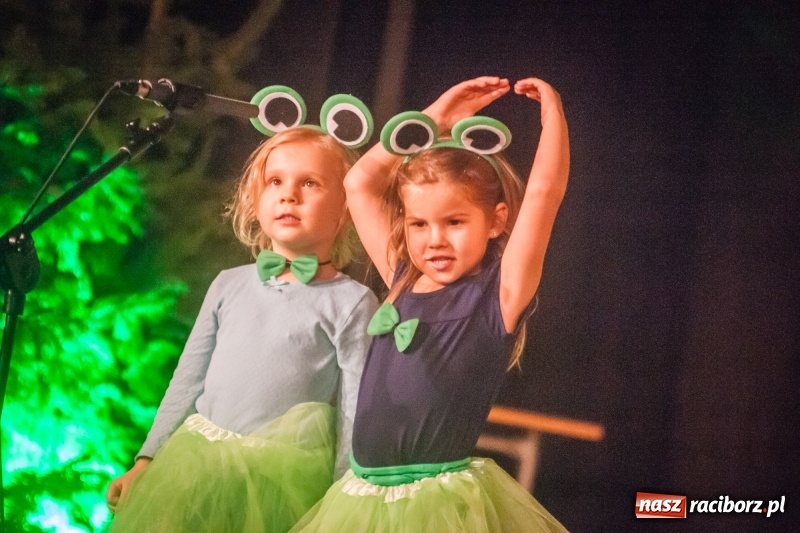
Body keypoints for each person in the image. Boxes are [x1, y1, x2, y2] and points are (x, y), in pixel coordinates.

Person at [291, 76, 570, 532]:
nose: (434, 239)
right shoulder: (401, 277)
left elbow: (543, 194)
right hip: (362, 498)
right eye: (419, 224)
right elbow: (358, 183)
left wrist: (553, 117)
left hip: (436, 506)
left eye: (454, 221)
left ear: (497, 221)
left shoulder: (497, 295)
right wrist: (435, 117)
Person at [106, 124, 379, 533]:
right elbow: (187, 380)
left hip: (283, 485)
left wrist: (342, 499)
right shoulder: (228, 283)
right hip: (195, 468)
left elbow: (355, 412)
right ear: (255, 199)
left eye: (310, 183)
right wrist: (146, 460)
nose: (289, 194)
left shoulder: (351, 302)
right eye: (275, 181)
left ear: (344, 209)